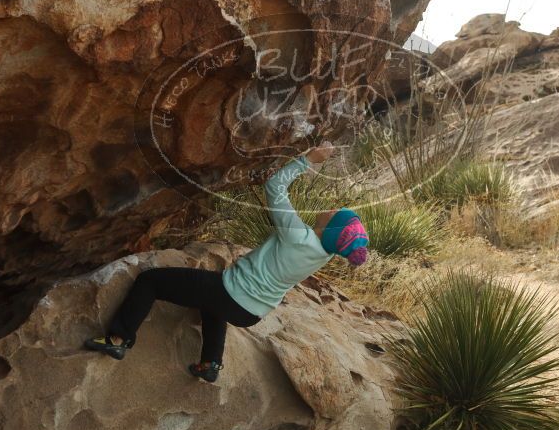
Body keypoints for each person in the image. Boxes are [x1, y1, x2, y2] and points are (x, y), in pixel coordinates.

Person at [84, 142, 369, 382]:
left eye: (335, 213)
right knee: (214, 304)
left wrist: (308, 159)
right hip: (251, 313)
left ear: (330, 229)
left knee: (151, 281)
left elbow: (275, 186)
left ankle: (117, 340)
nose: (330, 209)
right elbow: (346, 242)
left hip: (230, 292)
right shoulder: (324, 253)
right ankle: (210, 364)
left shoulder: (298, 235)